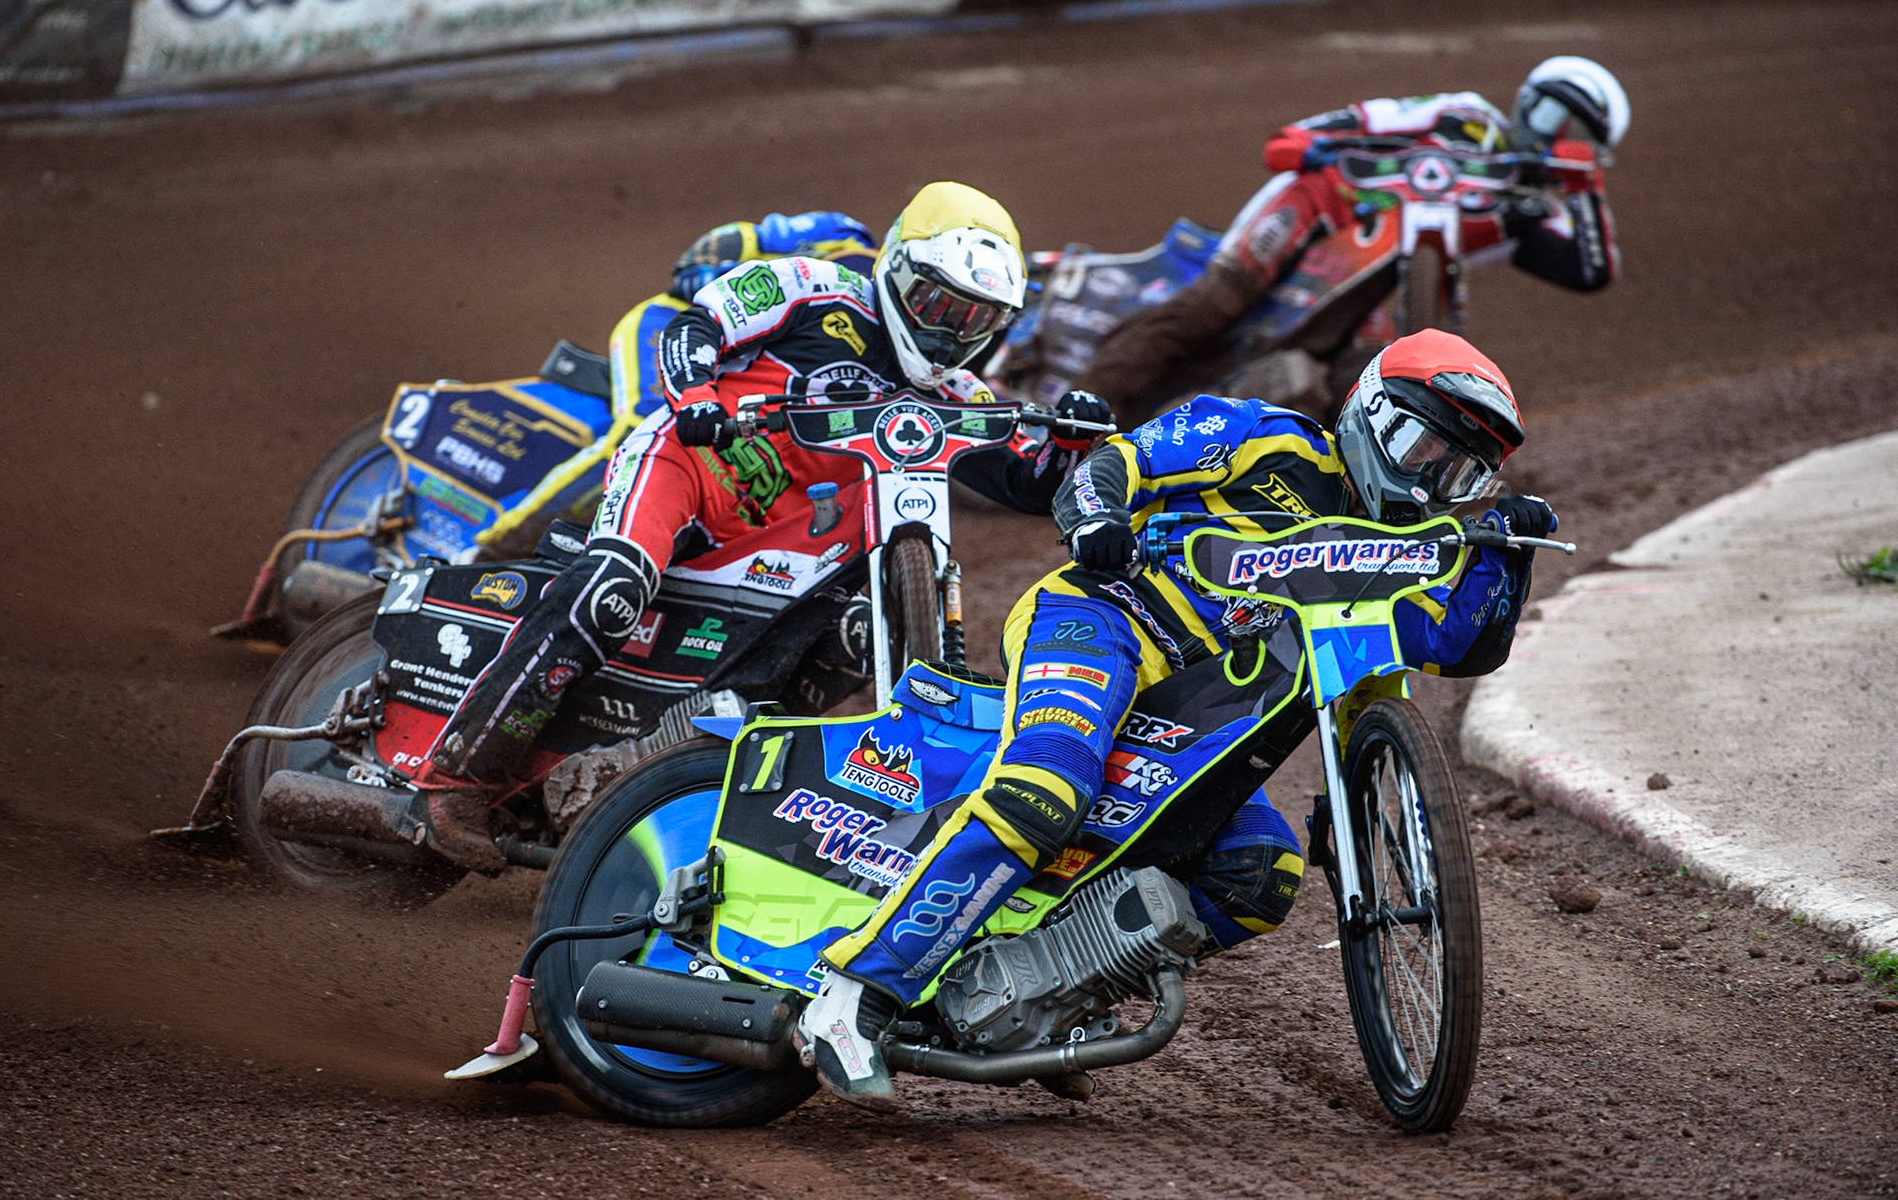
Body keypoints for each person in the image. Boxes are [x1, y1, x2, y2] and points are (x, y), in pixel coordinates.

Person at [794, 328, 1557, 1104]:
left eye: (1458, 471)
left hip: (1197, 711)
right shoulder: (1261, 435)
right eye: (1420, 445)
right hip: (1102, 621)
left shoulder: (1405, 545)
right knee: (1046, 789)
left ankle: (1038, 1001)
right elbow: (1117, 461)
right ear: (1368, 409)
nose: (1429, 480)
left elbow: (1455, 644)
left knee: (1261, 872)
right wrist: (1095, 517)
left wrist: (1505, 554)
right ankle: (855, 998)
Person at [413, 183, 1114, 873]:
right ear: (898, 270)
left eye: (976, 322)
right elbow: (696, 326)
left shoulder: (956, 397)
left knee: (851, 637)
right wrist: (693, 399)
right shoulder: (813, 287)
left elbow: (1031, 480)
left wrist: (1076, 443)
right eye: (939, 307)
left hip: (785, 540)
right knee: (611, 590)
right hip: (690, 467)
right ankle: (457, 778)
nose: (949, 334)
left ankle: (681, 770)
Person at [1081, 56, 1628, 422]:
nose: (1561, 140)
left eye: (1581, 138)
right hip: (1311, 211)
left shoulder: (1525, 210)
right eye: (1562, 119)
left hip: (1368, 282)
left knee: (1358, 383)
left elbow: (1590, 272)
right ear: (1534, 100)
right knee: (1209, 310)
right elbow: (1295, 141)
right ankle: (1068, 428)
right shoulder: (1461, 117)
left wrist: (1587, 188)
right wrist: (1313, 147)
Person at [472, 212, 880, 560]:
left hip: (739, 366)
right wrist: (714, 280)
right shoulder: (839, 233)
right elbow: (723, 245)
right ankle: (493, 549)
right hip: (683, 325)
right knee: (645, 422)